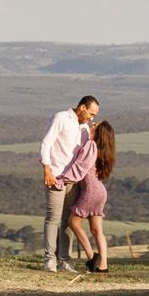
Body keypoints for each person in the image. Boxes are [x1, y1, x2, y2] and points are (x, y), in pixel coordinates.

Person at [39, 94, 98, 272]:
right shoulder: (61, 118)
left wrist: (93, 136)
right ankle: (49, 259)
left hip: (73, 180)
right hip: (55, 176)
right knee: (53, 218)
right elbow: (46, 143)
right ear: (82, 108)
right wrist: (47, 170)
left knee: (68, 221)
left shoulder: (85, 129)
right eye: (91, 113)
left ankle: (64, 260)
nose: (92, 118)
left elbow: (86, 154)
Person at [64, 118, 115, 273]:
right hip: (101, 192)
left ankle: (92, 257)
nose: (92, 125)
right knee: (97, 231)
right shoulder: (104, 152)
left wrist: (90, 136)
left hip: (91, 191)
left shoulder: (91, 146)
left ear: (98, 133)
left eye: (95, 125)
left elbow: (80, 161)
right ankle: (103, 266)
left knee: (73, 222)